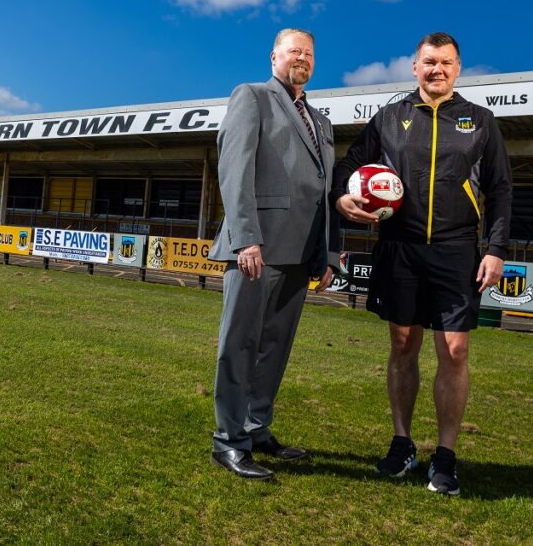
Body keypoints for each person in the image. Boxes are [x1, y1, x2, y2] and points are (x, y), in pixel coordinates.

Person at [332, 32, 512, 495]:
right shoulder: (390, 118)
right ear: (415, 67)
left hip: (456, 250)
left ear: (458, 69)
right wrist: (342, 198)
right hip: (400, 246)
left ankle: (446, 455)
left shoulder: (481, 121)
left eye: (447, 63)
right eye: (429, 62)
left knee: (454, 351)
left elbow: (501, 189)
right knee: (403, 344)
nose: (438, 70)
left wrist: (495, 248)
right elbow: (348, 166)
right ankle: (402, 443)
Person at [207, 28, 339, 480]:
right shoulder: (252, 97)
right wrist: (246, 236)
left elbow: (326, 192)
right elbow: (235, 166)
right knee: (239, 344)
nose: (301, 59)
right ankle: (228, 440)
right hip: (256, 248)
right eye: (293, 52)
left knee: (274, 349)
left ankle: (256, 428)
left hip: (300, 253)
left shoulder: (320, 121)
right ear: (274, 57)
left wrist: (329, 252)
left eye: (308, 53)